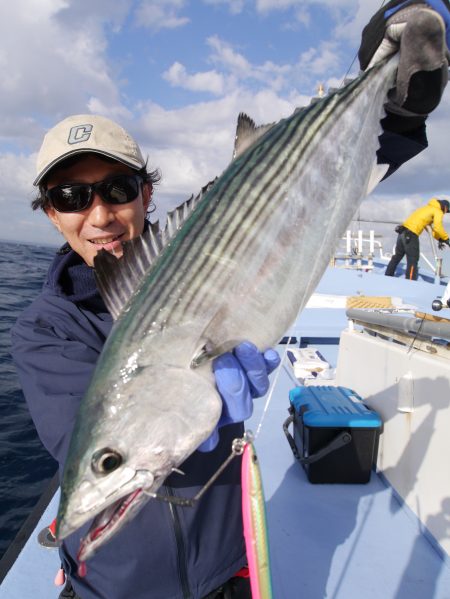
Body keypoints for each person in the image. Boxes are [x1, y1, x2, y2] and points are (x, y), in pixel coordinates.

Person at [10, 1, 450, 598]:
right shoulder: (44, 328)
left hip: (228, 573)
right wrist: (196, 417)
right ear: (50, 211)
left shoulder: (215, 237)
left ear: (146, 193)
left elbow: (301, 185)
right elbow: (78, 437)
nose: (100, 215)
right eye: (70, 195)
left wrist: (395, 99)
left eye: (117, 188)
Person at [385, 197, 450, 279]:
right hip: (411, 235)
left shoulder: (426, 208)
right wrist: (447, 239)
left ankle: (387, 276)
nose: (444, 213)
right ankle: (410, 282)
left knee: (397, 256)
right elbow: (438, 227)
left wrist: (440, 239)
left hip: (402, 232)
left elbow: (429, 229)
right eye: (446, 211)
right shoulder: (438, 211)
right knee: (413, 259)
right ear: (445, 208)